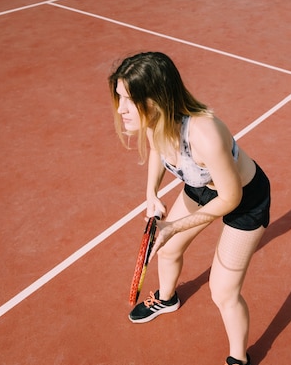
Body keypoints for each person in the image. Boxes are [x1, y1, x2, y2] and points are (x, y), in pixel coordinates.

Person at [109, 52, 271, 365]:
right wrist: (151, 193)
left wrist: (174, 225)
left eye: (129, 100)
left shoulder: (204, 135)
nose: (121, 109)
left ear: (156, 98)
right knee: (168, 250)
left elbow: (230, 198)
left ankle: (239, 358)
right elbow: (158, 150)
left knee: (223, 292)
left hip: (244, 198)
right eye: (119, 98)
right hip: (201, 186)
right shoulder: (155, 118)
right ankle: (167, 299)